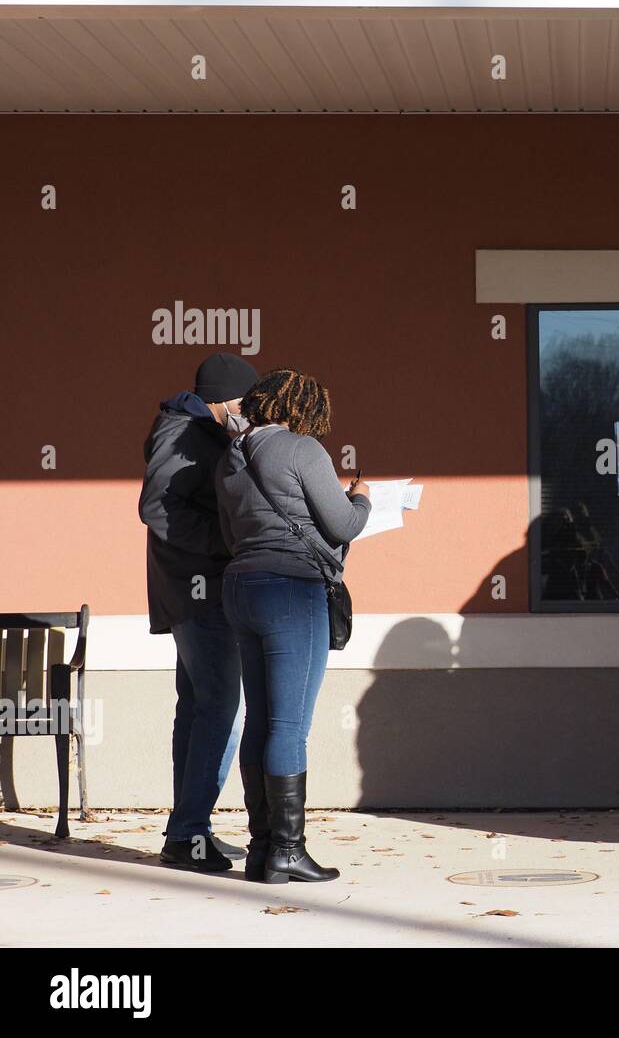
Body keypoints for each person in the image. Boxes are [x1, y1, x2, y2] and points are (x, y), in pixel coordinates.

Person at [215, 369, 370, 883]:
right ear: (302, 409)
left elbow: (228, 532)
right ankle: (288, 849)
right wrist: (363, 497)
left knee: (259, 722)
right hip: (290, 591)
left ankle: (262, 850)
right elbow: (343, 525)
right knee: (289, 727)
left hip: (240, 588)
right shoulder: (302, 450)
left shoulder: (230, 456)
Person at [140, 352, 258, 872]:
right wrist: (227, 539)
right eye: (246, 405)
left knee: (197, 708)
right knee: (218, 709)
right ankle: (188, 833)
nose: (249, 415)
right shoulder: (184, 431)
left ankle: (187, 831)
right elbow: (156, 506)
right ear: (224, 401)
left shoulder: (195, 428)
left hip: (193, 587)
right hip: (197, 589)